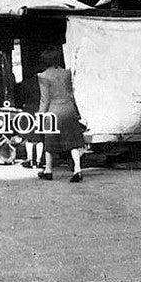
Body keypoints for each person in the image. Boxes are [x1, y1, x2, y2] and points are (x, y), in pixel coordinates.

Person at [36, 48, 86, 183]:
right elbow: (71, 94)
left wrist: (40, 117)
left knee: (49, 141)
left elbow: (44, 99)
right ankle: (77, 169)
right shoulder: (66, 73)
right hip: (69, 109)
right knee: (73, 142)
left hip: (54, 112)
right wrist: (77, 111)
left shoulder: (43, 76)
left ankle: (48, 170)